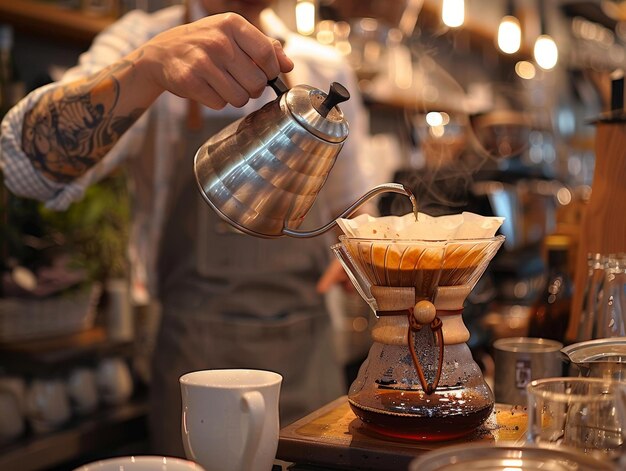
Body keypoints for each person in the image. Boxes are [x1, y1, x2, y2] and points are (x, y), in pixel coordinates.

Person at [0, 0, 374, 457]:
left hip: (305, 362)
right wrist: (147, 68)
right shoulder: (145, 40)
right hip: (193, 360)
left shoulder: (320, 64)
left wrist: (364, 258)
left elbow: (351, 214)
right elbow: (23, 167)